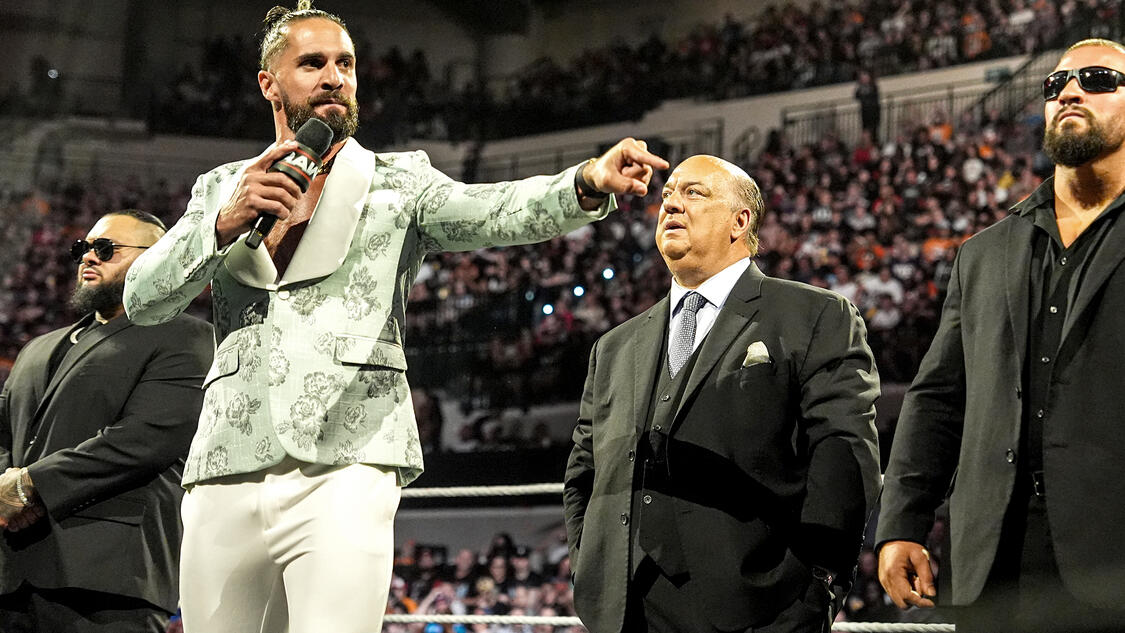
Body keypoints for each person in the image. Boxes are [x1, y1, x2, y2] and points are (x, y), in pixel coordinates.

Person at [121, 3, 668, 632]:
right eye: (313, 63)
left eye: (346, 64)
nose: (335, 77)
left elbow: (497, 210)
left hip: (349, 458)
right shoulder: (222, 187)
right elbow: (143, 299)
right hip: (227, 461)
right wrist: (222, 225)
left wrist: (587, 180)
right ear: (269, 83)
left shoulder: (399, 181)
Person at [563, 154, 881, 633]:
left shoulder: (814, 315)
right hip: (622, 614)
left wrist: (818, 587)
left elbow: (845, 456)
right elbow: (583, 471)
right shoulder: (613, 347)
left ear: (740, 221)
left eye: (694, 193)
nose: (671, 204)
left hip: (761, 612)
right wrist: (588, 568)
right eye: (667, 195)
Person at [876, 39, 1125, 632]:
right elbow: (938, 399)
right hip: (993, 562)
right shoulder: (984, 253)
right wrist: (903, 523)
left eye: (1097, 78)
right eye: (1056, 83)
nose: (1069, 92)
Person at [0, 210, 213, 632]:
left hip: (109, 580)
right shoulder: (36, 348)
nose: (88, 257)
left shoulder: (187, 337)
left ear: (158, 259)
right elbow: (4, 434)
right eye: (83, 248)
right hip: (11, 574)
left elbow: (145, 439)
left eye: (105, 248)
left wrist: (29, 486)